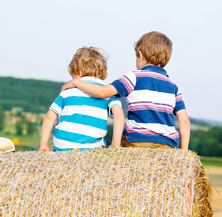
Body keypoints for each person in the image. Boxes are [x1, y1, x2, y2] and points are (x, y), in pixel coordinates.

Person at [61, 32, 190, 150]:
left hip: (138, 141)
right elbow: (184, 121)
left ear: (140, 55)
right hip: (167, 145)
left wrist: (76, 82)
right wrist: (183, 154)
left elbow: (102, 92)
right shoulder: (174, 87)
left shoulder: (134, 77)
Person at [39, 47, 125, 152]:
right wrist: (115, 144)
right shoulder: (109, 93)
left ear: (79, 73)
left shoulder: (67, 91)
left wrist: (44, 145)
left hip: (62, 147)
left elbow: (49, 118)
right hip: (91, 149)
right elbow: (119, 115)